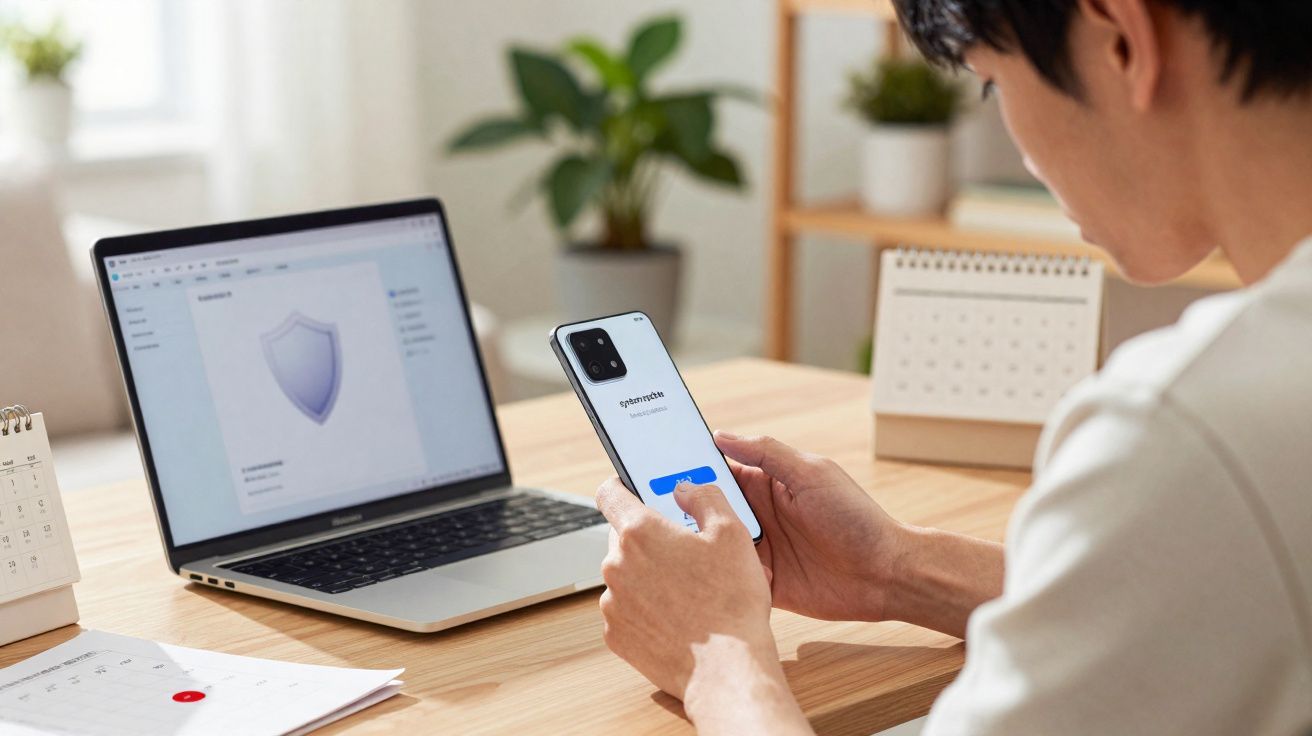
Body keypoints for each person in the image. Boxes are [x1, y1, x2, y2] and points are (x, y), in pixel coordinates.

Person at [592, 0, 1312, 733]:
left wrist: (718, 657)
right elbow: (1204, 603)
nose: (1022, 153)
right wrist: (894, 569)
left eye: (991, 83)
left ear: (1120, 38)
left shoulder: (1185, 430)